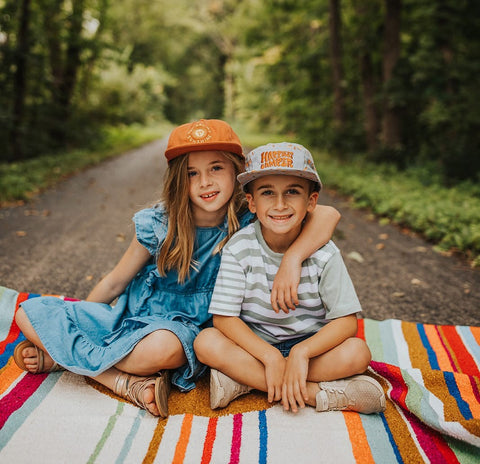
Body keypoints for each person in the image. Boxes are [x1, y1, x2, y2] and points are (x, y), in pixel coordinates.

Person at [13, 120, 341, 418]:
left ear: (237, 172)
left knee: (164, 348)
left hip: (186, 335)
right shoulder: (160, 224)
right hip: (133, 322)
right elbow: (115, 281)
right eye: (191, 173)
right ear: (177, 179)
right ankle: (112, 377)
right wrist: (85, 319)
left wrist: (292, 259)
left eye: (216, 168)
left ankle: (64, 356)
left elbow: (327, 215)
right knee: (28, 313)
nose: (205, 182)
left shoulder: (249, 217)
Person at [194, 142, 386, 415]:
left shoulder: (325, 255)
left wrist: (301, 353)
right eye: (267, 193)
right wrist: (270, 355)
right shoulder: (239, 248)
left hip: (311, 349)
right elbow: (224, 318)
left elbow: (345, 322)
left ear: (311, 201)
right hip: (257, 348)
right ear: (251, 202)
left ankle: (247, 382)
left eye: (292, 192)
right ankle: (318, 394)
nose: (280, 204)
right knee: (206, 342)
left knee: (357, 353)